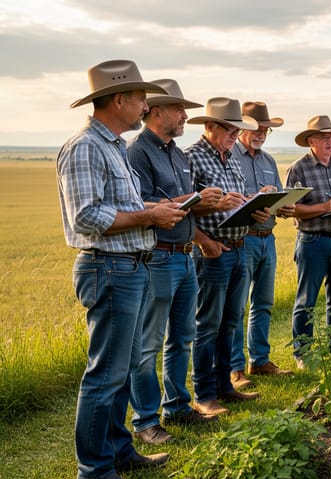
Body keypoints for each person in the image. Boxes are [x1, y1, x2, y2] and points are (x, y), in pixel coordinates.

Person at [58, 59, 184, 479]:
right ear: (118, 99)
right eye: (140, 97)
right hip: (107, 268)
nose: (145, 104)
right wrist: (151, 214)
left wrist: (157, 214)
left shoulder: (112, 145)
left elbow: (123, 211)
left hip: (129, 267)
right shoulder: (86, 147)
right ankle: (93, 472)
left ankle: (118, 451)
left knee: (123, 370)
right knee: (104, 375)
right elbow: (88, 216)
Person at [126, 79, 221, 445]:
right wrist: (196, 197)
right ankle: (146, 421)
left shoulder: (176, 153)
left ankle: (177, 407)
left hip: (184, 257)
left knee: (182, 338)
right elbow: (143, 204)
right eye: (180, 109)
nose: (185, 116)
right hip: (158, 257)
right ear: (157, 111)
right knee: (149, 343)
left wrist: (205, 201)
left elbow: (185, 204)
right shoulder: (138, 152)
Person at [185, 97, 266, 416]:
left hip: (239, 246)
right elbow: (183, 209)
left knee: (231, 321)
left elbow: (234, 201)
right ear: (209, 126)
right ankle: (204, 394)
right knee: (208, 324)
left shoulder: (232, 158)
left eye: (237, 129)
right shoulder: (191, 157)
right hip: (213, 250)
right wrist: (205, 241)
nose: (235, 134)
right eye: (229, 129)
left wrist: (254, 206)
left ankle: (224, 386)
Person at [282, 115, 331, 368]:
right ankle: (302, 354)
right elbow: (290, 208)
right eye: (325, 137)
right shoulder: (298, 169)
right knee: (306, 299)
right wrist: (324, 207)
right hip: (313, 241)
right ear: (311, 141)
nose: (330, 141)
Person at [230, 101, 292, 387]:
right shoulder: (229, 156)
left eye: (266, 130)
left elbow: (276, 196)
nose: (262, 134)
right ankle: (235, 368)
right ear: (243, 128)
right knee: (237, 306)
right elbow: (229, 199)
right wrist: (257, 195)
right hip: (243, 239)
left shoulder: (268, 161)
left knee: (263, 303)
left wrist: (284, 206)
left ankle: (260, 360)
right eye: (257, 129)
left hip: (268, 238)